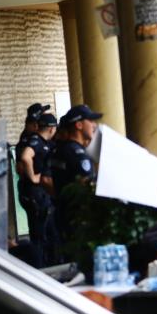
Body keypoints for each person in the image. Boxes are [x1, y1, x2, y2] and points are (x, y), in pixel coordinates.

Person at [50, 105, 101, 245]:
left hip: (65, 214)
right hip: (78, 218)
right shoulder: (77, 154)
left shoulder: (61, 149)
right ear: (79, 125)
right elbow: (87, 187)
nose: (94, 125)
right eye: (90, 121)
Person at [18, 113, 57, 267]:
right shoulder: (37, 141)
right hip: (36, 193)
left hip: (36, 193)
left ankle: (43, 264)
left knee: (41, 232)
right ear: (51, 129)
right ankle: (40, 267)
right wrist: (33, 177)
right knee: (39, 234)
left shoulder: (40, 141)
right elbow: (25, 157)